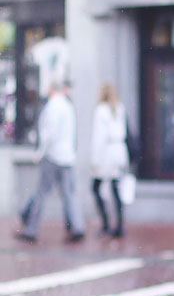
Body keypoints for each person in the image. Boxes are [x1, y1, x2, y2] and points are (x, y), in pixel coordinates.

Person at [16, 82, 85, 243]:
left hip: (53, 156)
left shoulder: (53, 106)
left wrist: (41, 152)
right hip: (66, 156)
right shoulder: (68, 106)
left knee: (41, 193)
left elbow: (49, 134)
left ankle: (31, 229)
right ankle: (78, 226)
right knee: (69, 194)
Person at [90, 83, 130, 238]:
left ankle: (106, 223)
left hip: (107, 152)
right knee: (115, 189)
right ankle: (119, 225)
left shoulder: (101, 111)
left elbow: (98, 138)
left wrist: (95, 159)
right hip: (119, 151)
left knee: (96, 187)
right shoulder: (119, 108)